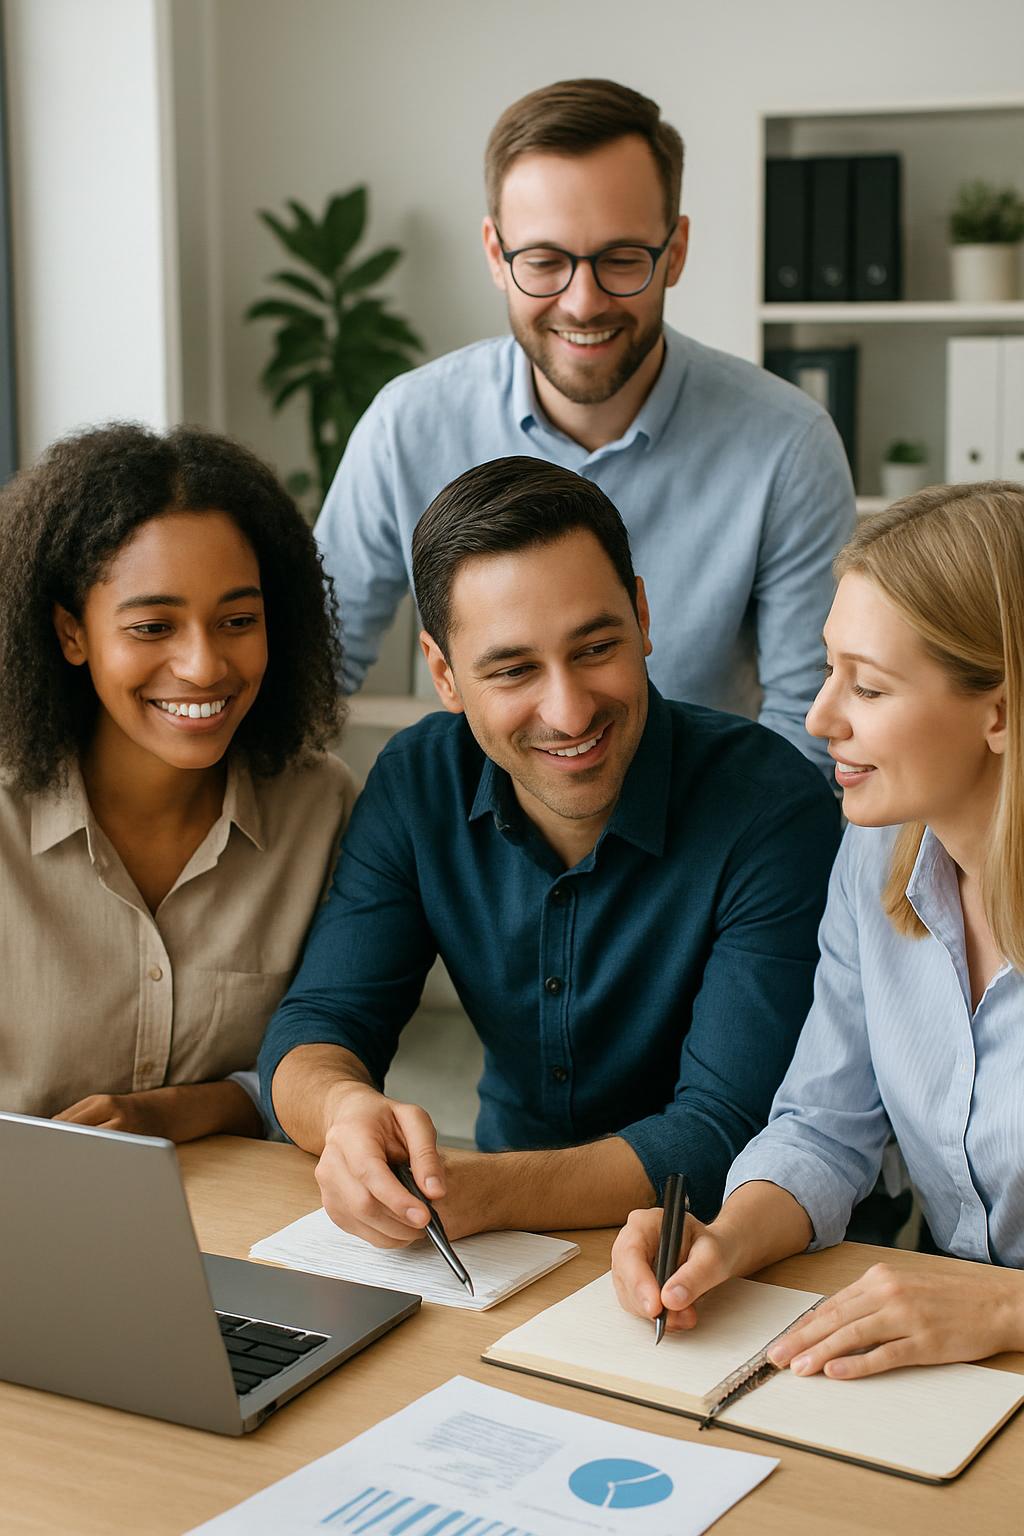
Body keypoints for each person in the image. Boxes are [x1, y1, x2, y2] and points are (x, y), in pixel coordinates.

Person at [259, 456, 839, 1246]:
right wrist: (342, 1109)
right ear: (445, 674)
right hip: (502, 1241)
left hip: (728, 1247)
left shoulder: (770, 803)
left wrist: (487, 1192)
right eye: (513, 669)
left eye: (596, 647)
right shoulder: (417, 779)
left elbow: (718, 1134)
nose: (568, 712)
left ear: (641, 615)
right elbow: (317, 1024)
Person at [314, 77, 855, 775]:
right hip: (481, 851)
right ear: (494, 255)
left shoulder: (788, 444)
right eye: (544, 262)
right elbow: (316, 672)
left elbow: (807, 730)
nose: (583, 301)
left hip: (705, 846)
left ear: (676, 250)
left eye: (621, 259)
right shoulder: (405, 426)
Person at [612, 480, 1024, 1379]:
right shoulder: (872, 855)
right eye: (829, 666)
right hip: (952, 1373)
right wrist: (726, 1238)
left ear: (1000, 709)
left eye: (868, 687)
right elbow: (824, 1129)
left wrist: (1003, 1305)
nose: (818, 717)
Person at [0, 423, 353, 1141]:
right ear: (72, 633)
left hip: (233, 1224)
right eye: (154, 627)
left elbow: (337, 1051)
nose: (203, 665)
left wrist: (175, 1111)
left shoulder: (321, 808)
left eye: (237, 620)